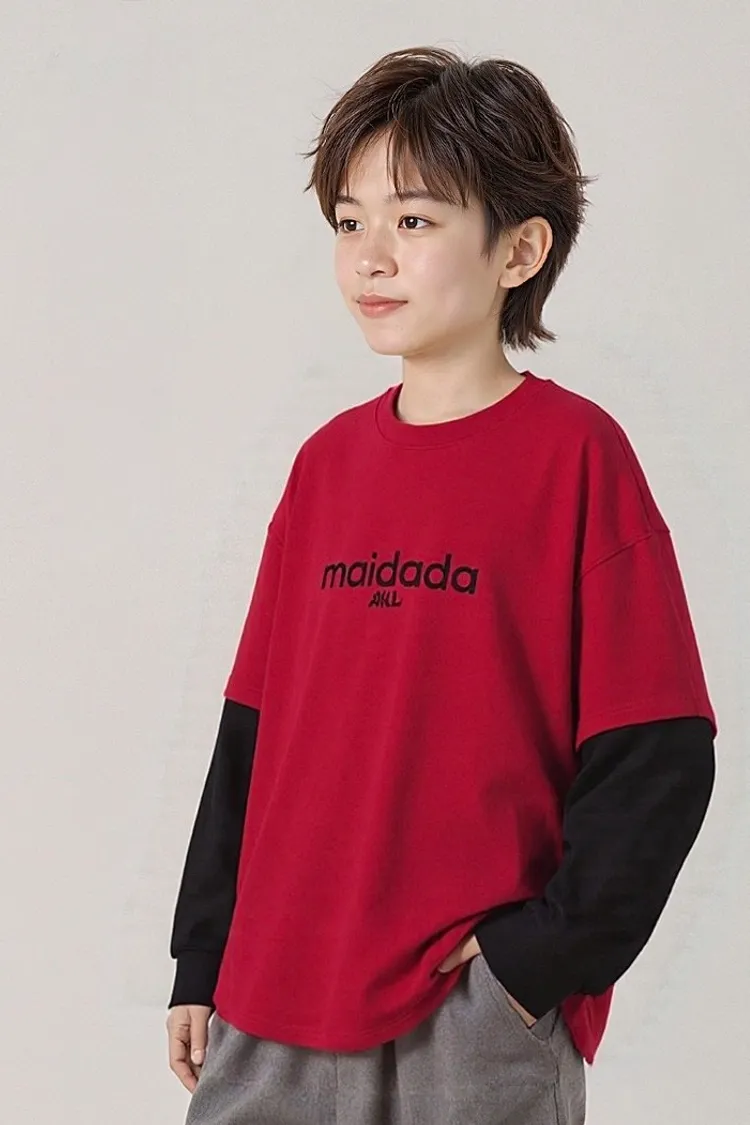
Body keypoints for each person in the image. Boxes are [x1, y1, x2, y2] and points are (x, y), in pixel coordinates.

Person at [166, 45, 717, 1124]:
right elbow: (252, 734)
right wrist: (203, 953)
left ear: (520, 249)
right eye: (349, 221)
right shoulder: (325, 466)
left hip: (463, 1018)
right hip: (270, 998)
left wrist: (533, 963)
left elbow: (659, 750)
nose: (371, 256)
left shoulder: (576, 459)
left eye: (413, 220)